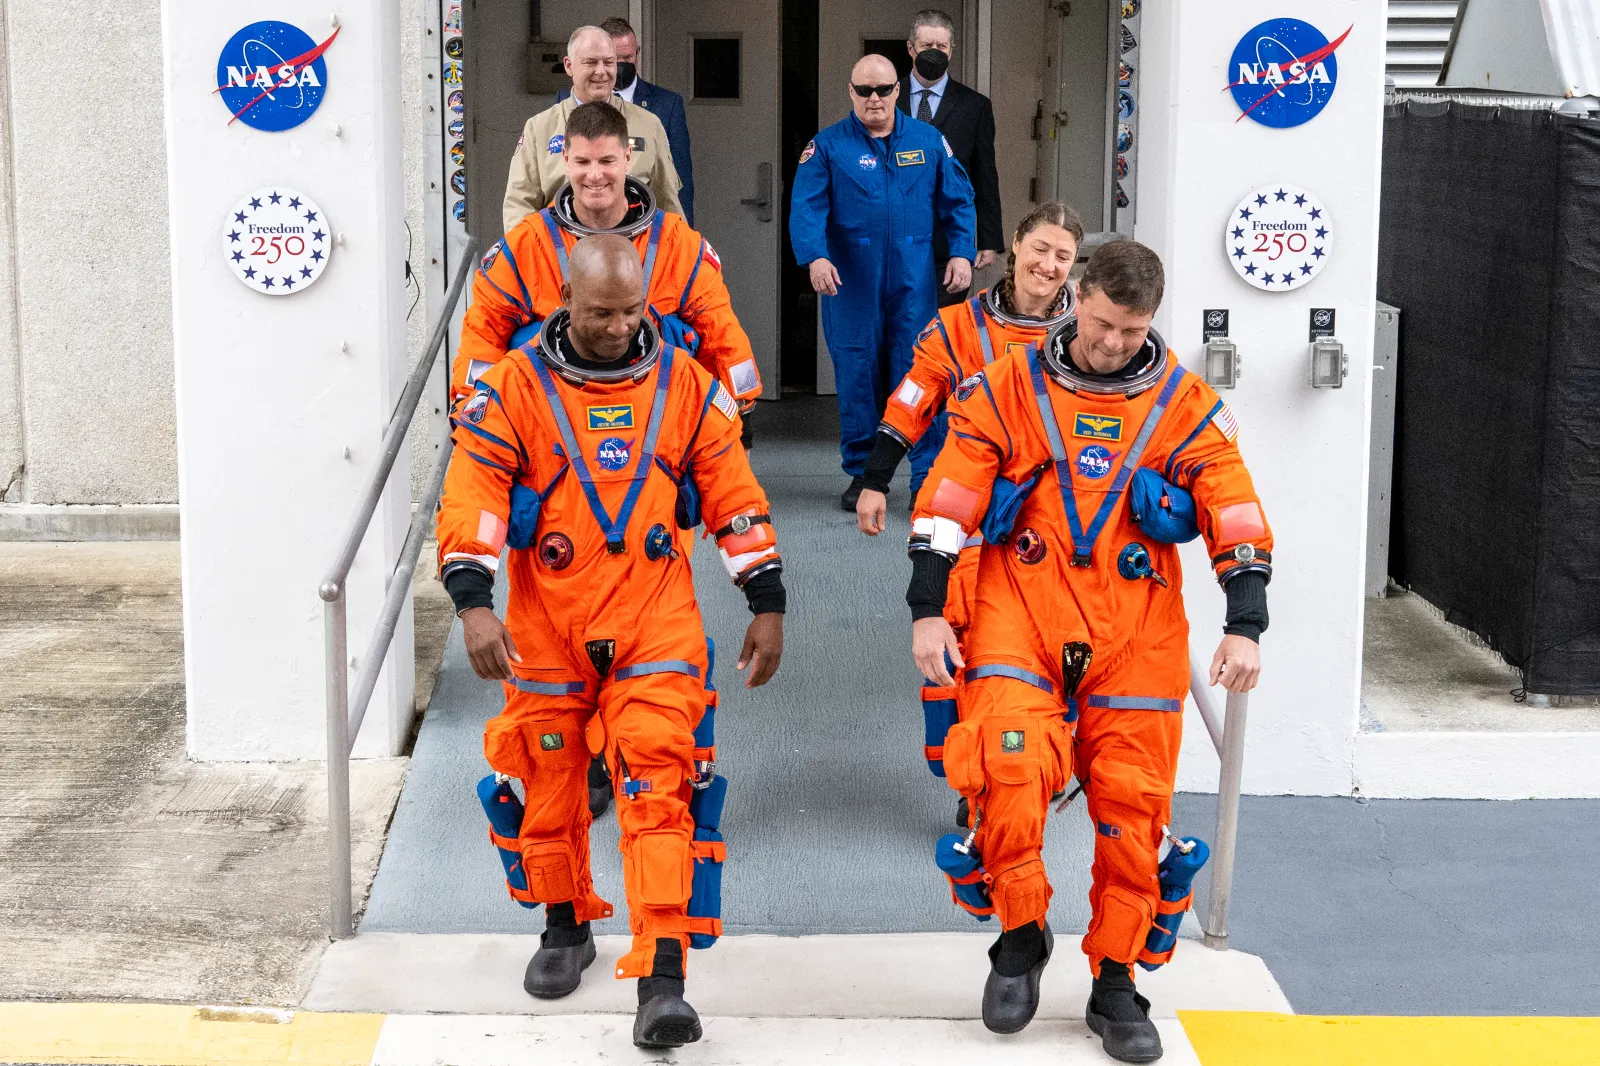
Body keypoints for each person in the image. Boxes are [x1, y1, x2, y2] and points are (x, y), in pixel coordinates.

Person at [905, 240, 1271, 1062]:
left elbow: (1234, 506)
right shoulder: (1008, 388)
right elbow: (949, 498)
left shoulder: (1183, 403)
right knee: (1006, 770)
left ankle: (1115, 980)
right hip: (1019, 615)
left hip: (1134, 627)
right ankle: (1022, 932)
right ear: (1077, 298)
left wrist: (1245, 621)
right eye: (1103, 324)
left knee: (1134, 809)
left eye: (1131, 330)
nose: (1112, 344)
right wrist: (929, 610)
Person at [437, 235, 785, 1049]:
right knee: (549, 779)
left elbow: (734, 495)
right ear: (565, 300)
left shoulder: (689, 389)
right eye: (601, 313)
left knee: (660, 782)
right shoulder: (512, 390)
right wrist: (472, 603)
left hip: (654, 621)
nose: (621, 327)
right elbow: (475, 494)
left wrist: (764, 599)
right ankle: (565, 926)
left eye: (633, 310)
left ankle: (663, 976)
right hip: (546, 626)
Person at [855, 203, 1081, 791]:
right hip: (969, 511)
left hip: (1056, 520)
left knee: (1038, 645)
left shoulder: (1088, 334)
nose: (1048, 265)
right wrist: (876, 480)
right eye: (1039, 249)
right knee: (953, 636)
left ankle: (1012, 771)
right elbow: (911, 403)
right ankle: (968, 772)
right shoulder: (958, 327)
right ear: (1014, 244)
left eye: (1063, 256)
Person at [458, 102, 762, 424]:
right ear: (565, 161)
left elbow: (720, 329)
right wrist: (474, 406)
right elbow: (484, 331)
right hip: (551, 421)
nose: (594, 175)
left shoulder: (676, 243)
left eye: (607, 160)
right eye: (582, 161)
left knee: (677, 335)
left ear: (628, 159)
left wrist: (738, 405)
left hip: (659, 417)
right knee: (527, 339)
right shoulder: (527, 245)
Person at [789, 53, 976, 512]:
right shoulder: (827, 147)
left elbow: (959, 200)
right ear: (851, 92)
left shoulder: (929, 141)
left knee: (921, 378)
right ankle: (861, 474)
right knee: (858, 378)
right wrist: (814, 256)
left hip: (913, 285)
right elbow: (806, 208)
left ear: (898, 91)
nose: (874, 99)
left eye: (884, 90)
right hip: (850, 285)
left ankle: (925, 476)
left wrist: (962, 252)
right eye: (864, 90)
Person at [503, 25, 682, 231]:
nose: (601, 72)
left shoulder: (649, 125)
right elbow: (519, 204)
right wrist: (526, 257)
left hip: (631, 255)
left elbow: (668, 205)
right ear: (569, 66)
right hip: (561, 255)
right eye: (591, 62)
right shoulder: (540, 128)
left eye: (609, 62)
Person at [897, 9, 1003, 307]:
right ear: (911, 48)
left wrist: (988, 238)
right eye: (927, 46)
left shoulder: (975, 106)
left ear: (951, 51)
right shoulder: (885, 98)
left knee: (942, 333)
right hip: (894, 239)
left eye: (941, 47)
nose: (934, 53)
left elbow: (984, 173)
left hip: (949, 242)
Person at [557, 17, 695, 225]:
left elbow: (677, 181)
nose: (620, 67)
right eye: (616, 60)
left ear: (637, 54)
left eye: (627, 58)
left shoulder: (666, 105)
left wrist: (685, 236)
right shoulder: (563, 103)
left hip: (640, 229)